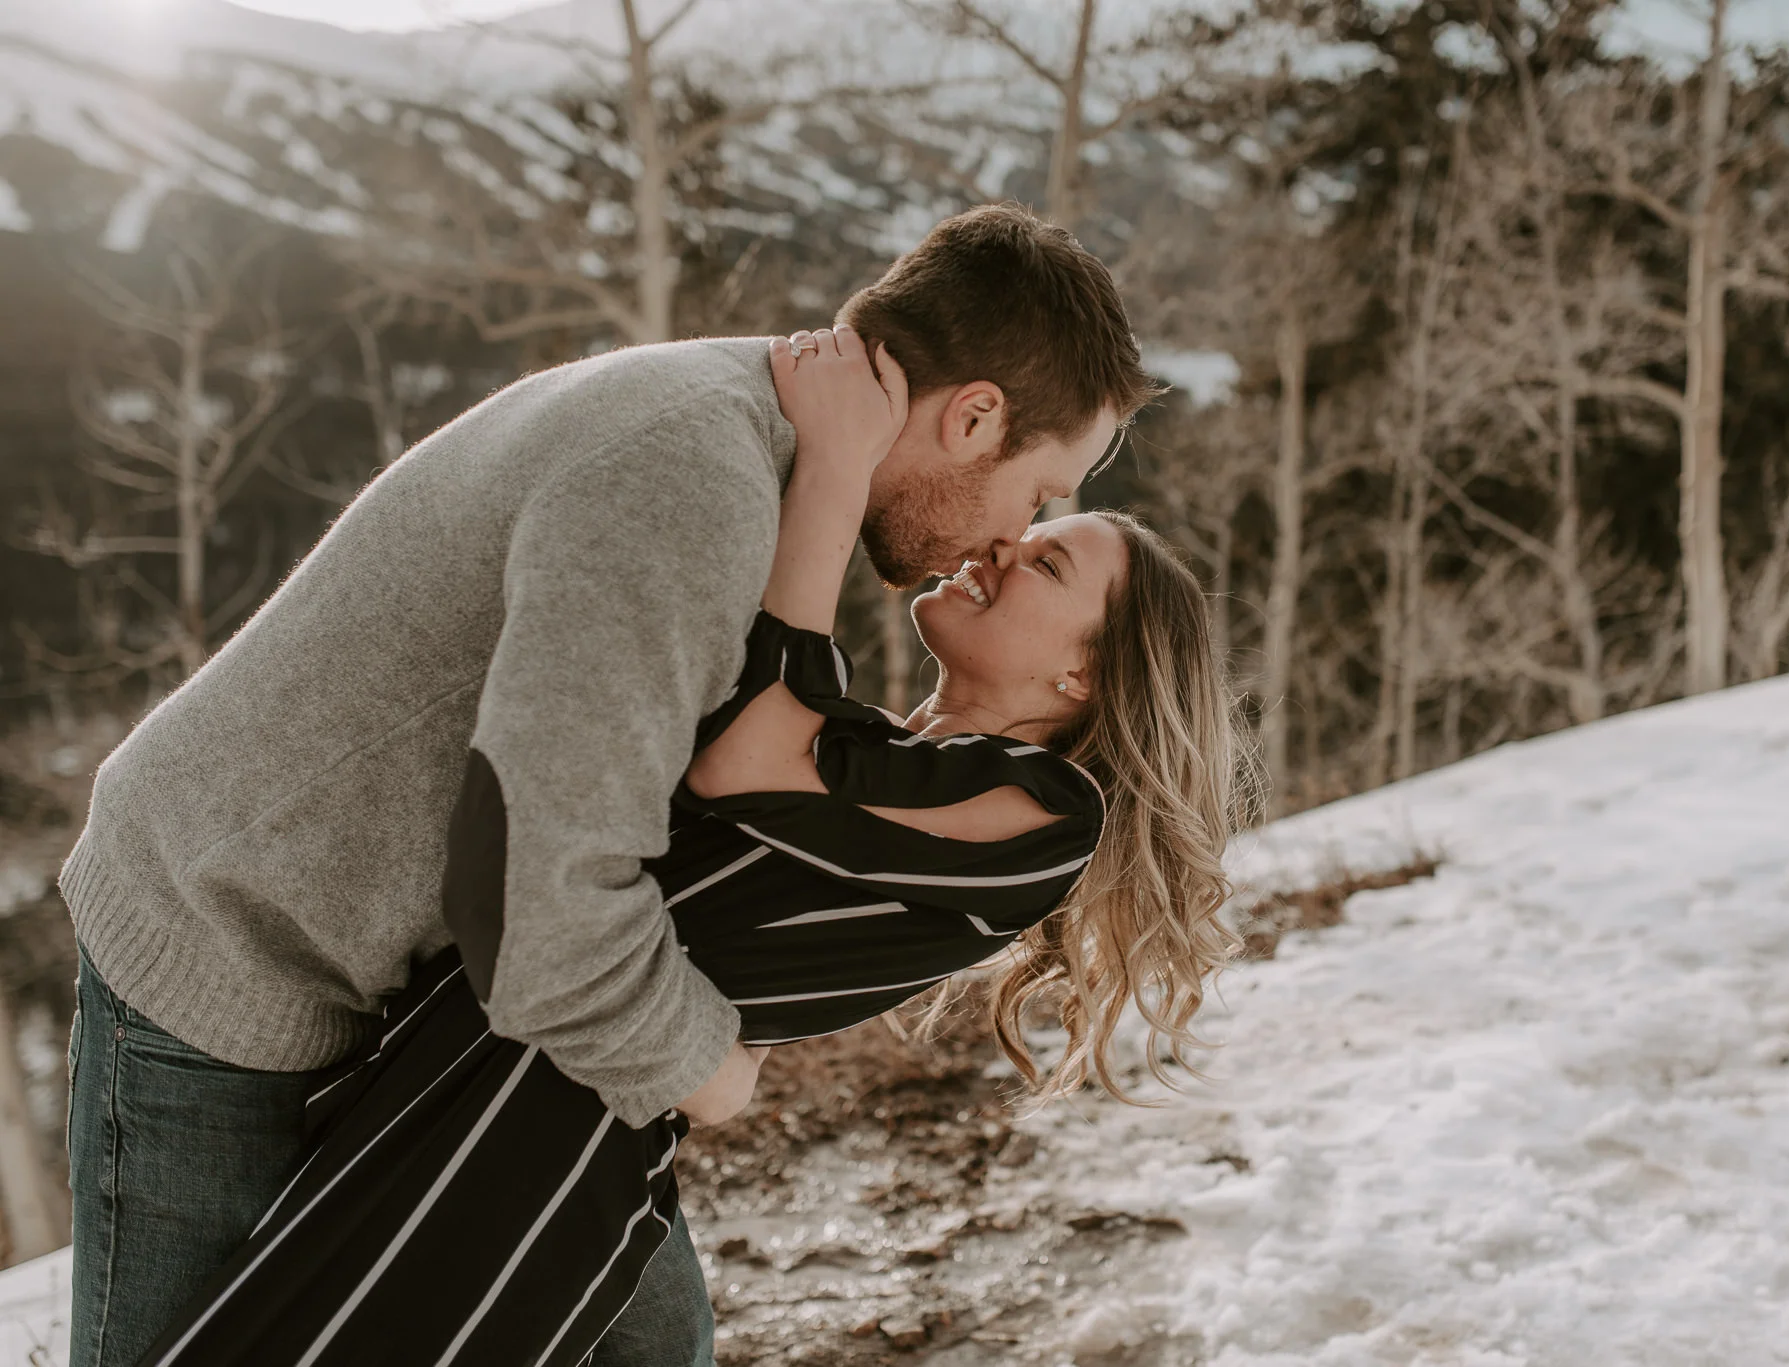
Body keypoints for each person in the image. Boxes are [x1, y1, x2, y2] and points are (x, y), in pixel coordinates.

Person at [61, 203, 1160, 1367]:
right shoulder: (693, 482)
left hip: (412, 994)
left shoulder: (755, 438)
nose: (1010, 531)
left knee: (652, 1338)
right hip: (225, 946)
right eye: (1036, 495)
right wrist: (709, 1069)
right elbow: (544, 901)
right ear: (975, 415)